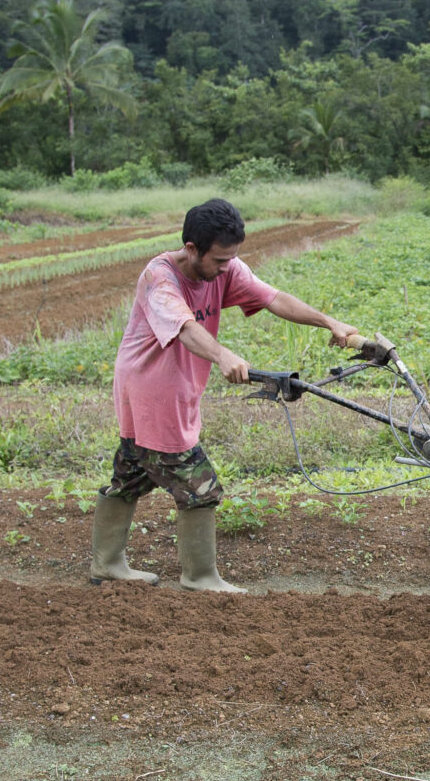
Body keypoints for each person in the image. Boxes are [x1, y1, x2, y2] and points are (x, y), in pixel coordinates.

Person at [91, 198, 360, 592]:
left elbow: (272, 297)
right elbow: (183, 327)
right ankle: (200, 577)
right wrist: (222, 355)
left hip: (170, 391)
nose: (226, 268)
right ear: (191, 249)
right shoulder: (159, 278)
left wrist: (328, 322)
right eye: (219, 260)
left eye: (231, 259)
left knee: (130, 476)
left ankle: (106, 563)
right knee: (201, 490)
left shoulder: (224, 270)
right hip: (153, 393)